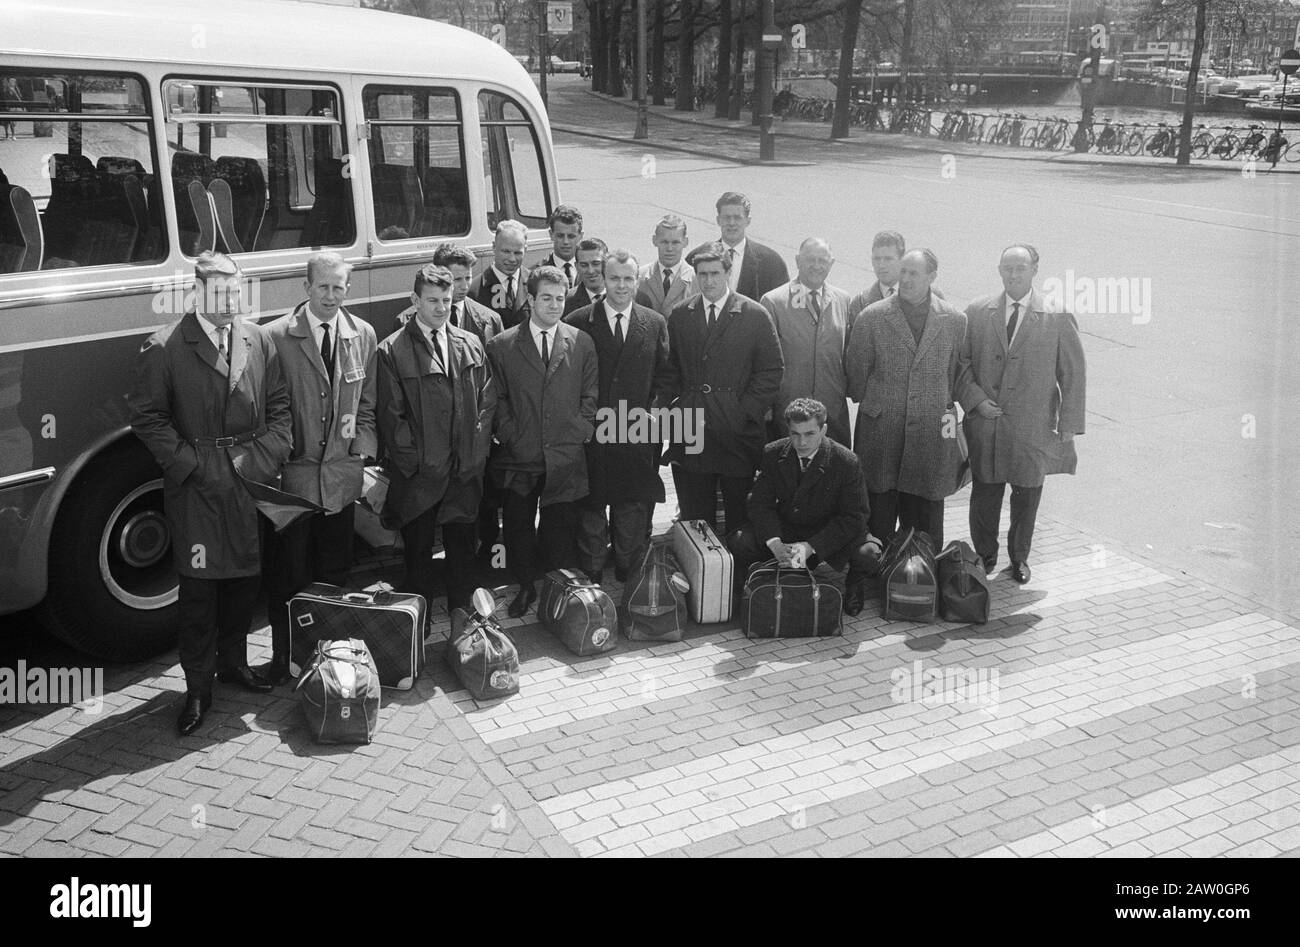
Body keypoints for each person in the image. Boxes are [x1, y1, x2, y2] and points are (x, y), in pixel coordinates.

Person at [127, 251, 292, 736]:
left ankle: (233, 664)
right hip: (197, 488)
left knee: (244, 582)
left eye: (235, 292)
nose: (229, 302)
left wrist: (268, 454)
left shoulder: (257, 338)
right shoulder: (164, 347)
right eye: (219, 293)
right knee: (199, 594)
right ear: (196, 292)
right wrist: (192, 465)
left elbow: (279, 404)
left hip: (248, 479)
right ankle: (198, 687)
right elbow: (148, 418)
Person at [260, 252, 377, 684]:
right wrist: (278, 460)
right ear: (305, 288)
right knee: (287, 576)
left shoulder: (361, 333)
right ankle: (284, 659)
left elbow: (368, 403)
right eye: (323, 287)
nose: (331, 295)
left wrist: (360, 452)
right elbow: (266, 411)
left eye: (339, 287)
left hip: (340, 481)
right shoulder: (273, 336)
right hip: (292, 482)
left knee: (335, 575)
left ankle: (332, 658)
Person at [958, 244, 1086, 584]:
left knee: (1027, 494)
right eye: (1007, 268)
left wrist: (1069, 424)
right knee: (985, 493)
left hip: (1033, 425)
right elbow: (962, 364)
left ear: (1034, 270)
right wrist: (975, 399)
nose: (1014, 274)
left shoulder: (1057, 316)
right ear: (999, 270)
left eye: (1021, 268)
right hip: (986, 423)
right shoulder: (977, 311)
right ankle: (984, 555)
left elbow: (1072, 372)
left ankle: (1020, 558)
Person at [376, 265, 496, 614]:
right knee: (418, 557)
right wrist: (417, 463)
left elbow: (488, 400)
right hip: (420, 478)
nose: (441, 308)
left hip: (464, 472)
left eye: (446, 299)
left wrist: (475, 453)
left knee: (462, 554)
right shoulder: (392, 350)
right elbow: (391, 418)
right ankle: (419, 626)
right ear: (415, 300)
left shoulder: (470, 342)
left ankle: (463, 620)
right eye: (432, 301)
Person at [486, 265, 598, 618]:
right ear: (530, 299)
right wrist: (510, 434)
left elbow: (590, 396)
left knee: (559, 529)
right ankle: (526, 586)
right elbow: (495, 399)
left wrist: (580, 429)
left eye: (560, 298)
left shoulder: (581, 342)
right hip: (520, 457)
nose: (553, 305)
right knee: (519, 528)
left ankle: (558, 590)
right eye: (546, 298)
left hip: (564, 457)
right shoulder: (502, 345)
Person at [845, 248, 971, 550]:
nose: (906, 279)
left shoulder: (955, 320)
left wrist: (933, 403)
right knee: (880, 507)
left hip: (933, 431)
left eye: (914, 273)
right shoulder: (872, 317)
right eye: (903, 272)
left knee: (926, 510)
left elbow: (955, 375)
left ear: (932, 276)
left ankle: (924, 571)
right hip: (882, 429)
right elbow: (856, 376)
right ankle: (879, 573)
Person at [661, 242, 783, 536]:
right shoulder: (681, 314)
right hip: (693, 429)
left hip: (737, 433)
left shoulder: (754, 314)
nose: (709, 281)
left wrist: (744, 412)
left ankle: (738, 577)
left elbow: (771, 371)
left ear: (728, 273)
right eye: (702, 274)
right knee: (695, 515)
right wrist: (677, 408)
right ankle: (702, 575)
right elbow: (670, 369)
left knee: (739, 516)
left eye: (715, 273)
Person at [564, 249, 671, 583]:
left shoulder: (653, 322)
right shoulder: (579, 321)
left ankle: (627, 565)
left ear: (636, 280)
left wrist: (655, 413)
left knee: (631, 505)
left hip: (635, 431)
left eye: (628, 279)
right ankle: (592, 569)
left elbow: (665, 376)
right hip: (593, 434)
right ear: (603, 278)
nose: (621, 286)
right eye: (614, 278)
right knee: (592, 506)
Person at [728, 399, 882, 617]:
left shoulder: (846, 461)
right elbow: (759, 502)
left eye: (809, 434)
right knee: (740, 541)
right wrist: (774, 542)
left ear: (823, 429)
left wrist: (811, 546)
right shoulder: (773, 452)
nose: (801, 442)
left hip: (828, 531)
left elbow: (855, 517)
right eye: (795, 434)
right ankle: (746, 588)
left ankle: (854, 583)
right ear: (788, 430)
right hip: (789, 526)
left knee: (869, 554)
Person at [760, 237, 853, 448]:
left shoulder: (843, 300)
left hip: (831, 411)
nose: (816, 266)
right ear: (797, 260)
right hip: (789, 412)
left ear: (831, 263)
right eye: (810, 259)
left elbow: (849, 356)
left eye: (823, 260)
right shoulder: (774, 301)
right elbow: (764, 361)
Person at [394, 243, 502, 346]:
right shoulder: (404, 321)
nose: (464, 286)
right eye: (457, 279)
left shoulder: (490, 320)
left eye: (468, 278)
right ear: (439, 276)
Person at [689, 192, 788, 302]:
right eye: (727, 217)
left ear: (748, 220)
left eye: (737, 218)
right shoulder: (696, 257)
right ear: (718, 220)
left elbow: (782, 305)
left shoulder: (771, 262)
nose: (732, 223)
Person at [846, 231, 944, 343]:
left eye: (888, 259)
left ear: (902, 259)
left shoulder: (932, 294)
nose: (881, 265)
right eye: (877, 259)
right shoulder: (861, 303)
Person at [469, 219, 530, 329]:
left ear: (526, 249)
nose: (512, 259)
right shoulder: (474, 290)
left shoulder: (535, 283)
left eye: (517, 253)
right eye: (506, 251)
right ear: (493, 247)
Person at [635, 214, 696, 317]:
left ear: (685, 242)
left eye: (675, 242)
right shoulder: (639, 276)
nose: (670, 248)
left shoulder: (697, 279)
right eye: (664, 242)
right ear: (654, 240)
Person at [539, 204, 584, 291]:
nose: (565, 242)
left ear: (580, 236)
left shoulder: (590, 270)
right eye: (560, 236)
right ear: (551, 235)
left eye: (571, 236)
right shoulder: (538, 272)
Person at [563, 237, 608, 315]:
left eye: (596, 264)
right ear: (576, 267)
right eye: (584, 265)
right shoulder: (565, 302)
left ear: (607, 263)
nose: (591, 271)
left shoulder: (623, 295)